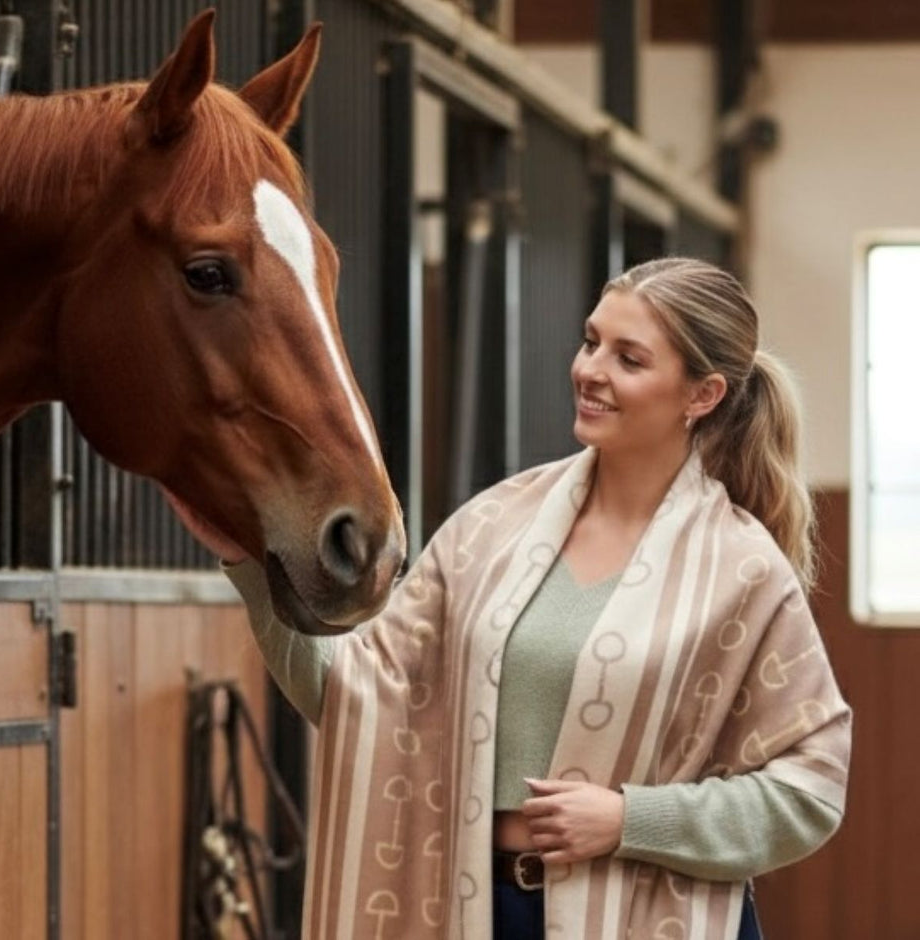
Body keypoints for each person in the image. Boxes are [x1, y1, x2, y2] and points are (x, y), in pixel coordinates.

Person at [207, 257, 851, 939]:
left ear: (703, 395)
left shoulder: (743, 569)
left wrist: (631, 820)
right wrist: (248, 560)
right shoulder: (492, 528)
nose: (591, 370)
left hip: (652, 919)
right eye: (591, 341)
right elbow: (356, 696)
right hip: (482, 911)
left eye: (629, 358)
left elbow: (808, 790)